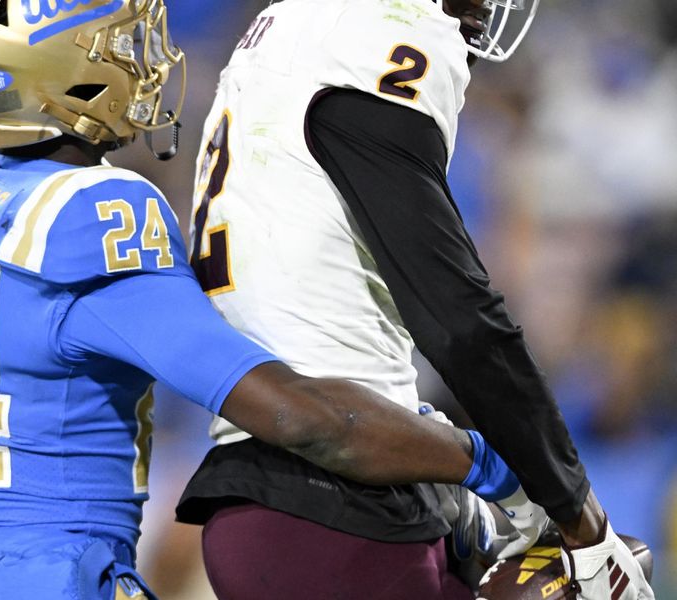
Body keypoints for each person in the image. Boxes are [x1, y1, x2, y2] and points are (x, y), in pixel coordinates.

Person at [0, 1, 547, 599]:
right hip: (46, 575)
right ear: (54, 76)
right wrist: (486, 463)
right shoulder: (94, 211)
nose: (142, 59)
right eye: (111, 46)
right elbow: (300, 417)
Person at [175, 0, 656, 598]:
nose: (485, 6)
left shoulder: (294, 35)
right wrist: (580, 516)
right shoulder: (371, 39)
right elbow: (459, 318)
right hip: (334, 500)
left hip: (303, 491)